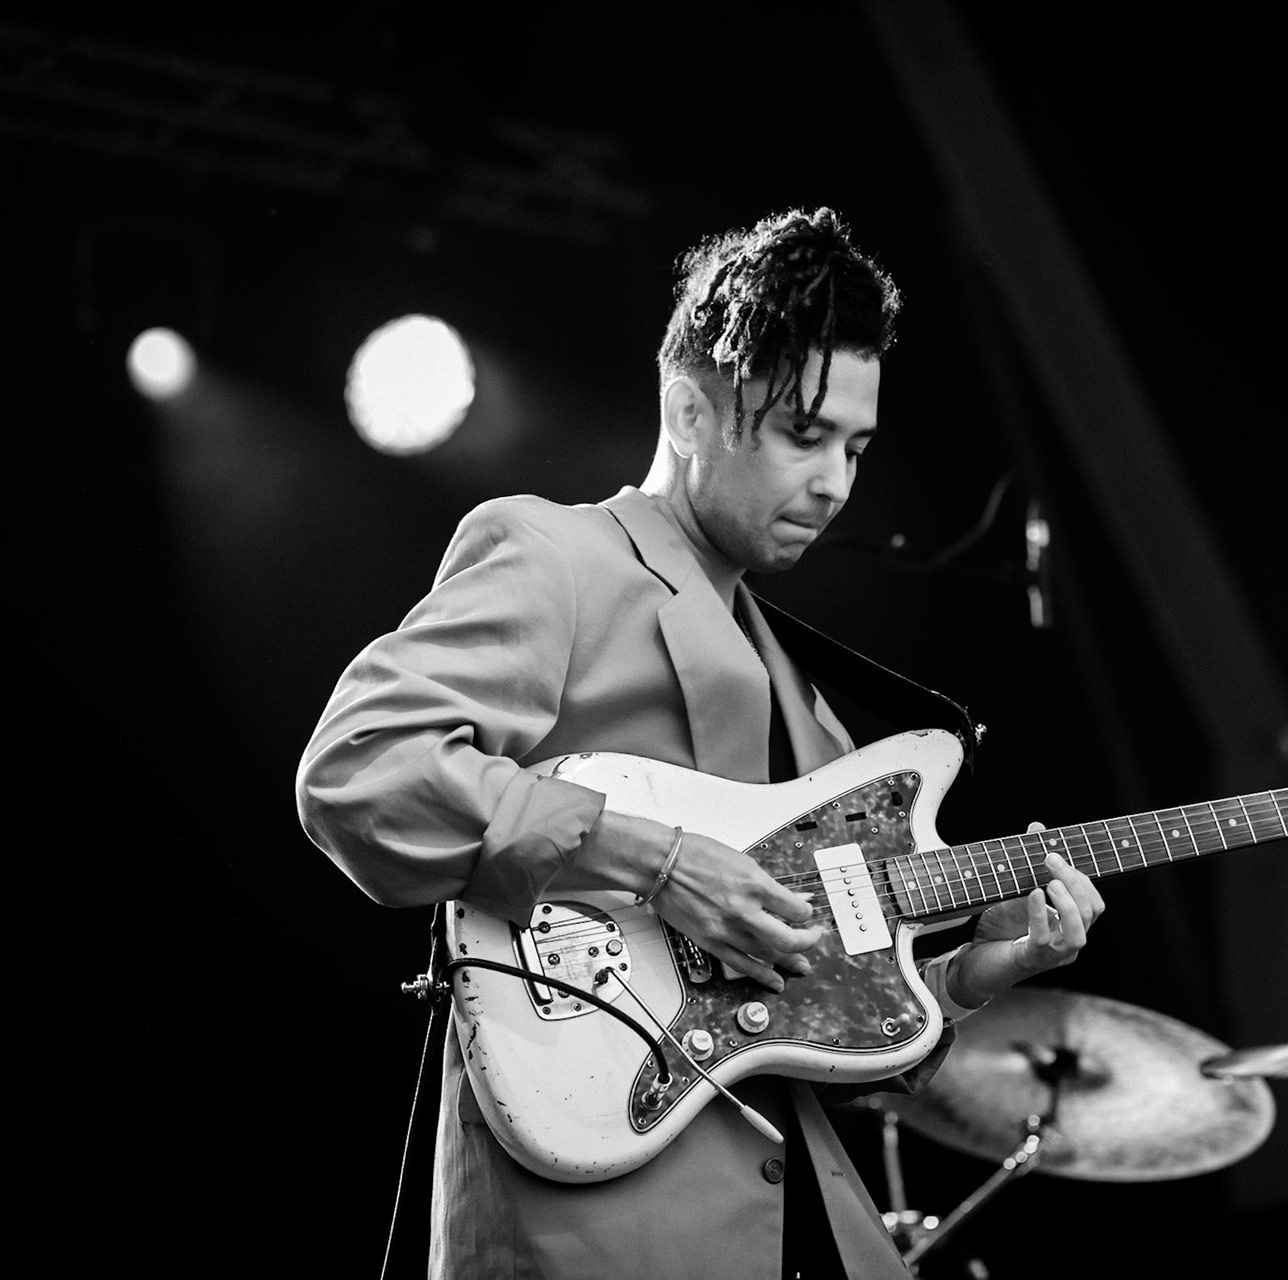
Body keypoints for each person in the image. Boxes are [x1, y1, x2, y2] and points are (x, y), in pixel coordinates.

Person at [296, 207, 1107, 1280]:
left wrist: (974, 975)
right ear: (690, 408)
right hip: (598, 1213)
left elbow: (811, 1029)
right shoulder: (560, 552)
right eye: (802, 434)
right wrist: (662, 861)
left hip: (807, 1221)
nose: (836, 483)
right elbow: (360, 769)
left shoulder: (814, 711)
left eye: (856, 447)